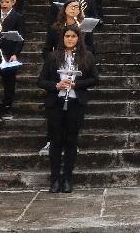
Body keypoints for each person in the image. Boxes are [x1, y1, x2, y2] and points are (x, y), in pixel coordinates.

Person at [37, 25, 98, 193]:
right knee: (55, 141)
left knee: (71, 141)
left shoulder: (87, 57)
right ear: (62, 38)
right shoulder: (53, 57)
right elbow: (41, 81)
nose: (70, 39)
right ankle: (55, 178)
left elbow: (94, 79)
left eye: (73, 36)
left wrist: (76, 84)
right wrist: (56, 85)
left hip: (75, 103)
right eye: (67, 36)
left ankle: (68, 178)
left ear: (78, 38)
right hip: (55, 103)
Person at [0, 0, 24, 120]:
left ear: (13, 2)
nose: (4, 4)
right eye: (2, 1)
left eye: (7, 1)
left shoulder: (18, 17)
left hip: (9, 54)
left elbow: (21, 37)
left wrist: (16, 53)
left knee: (9, 83)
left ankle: (7, 108)